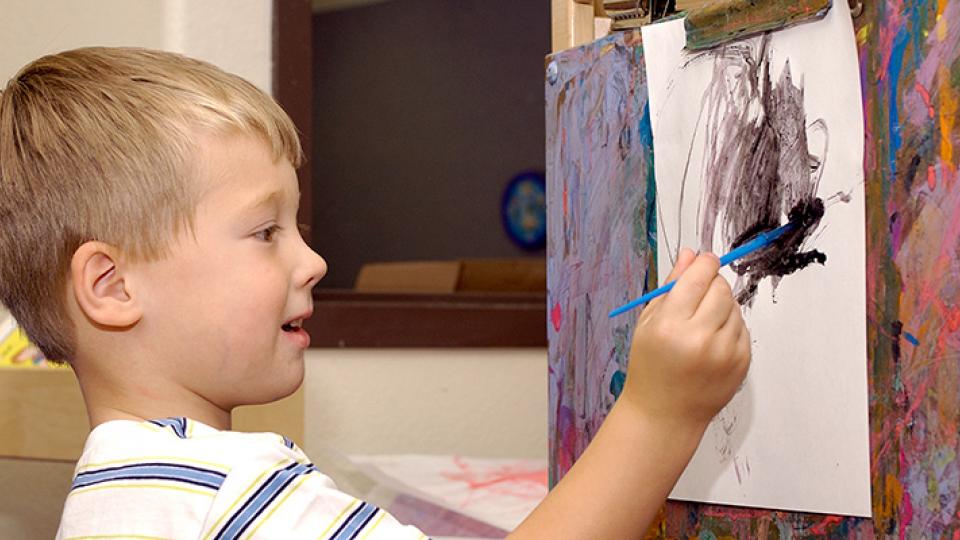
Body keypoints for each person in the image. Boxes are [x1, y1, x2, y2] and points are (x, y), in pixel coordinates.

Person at [0, 47, 750, 539]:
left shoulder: (121, 495)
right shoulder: (231, 496)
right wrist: (659, 413)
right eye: (265, 232)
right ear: (112, 285)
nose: (314, 261)